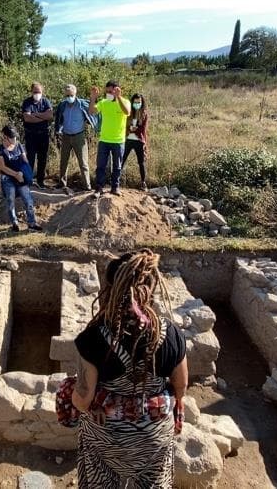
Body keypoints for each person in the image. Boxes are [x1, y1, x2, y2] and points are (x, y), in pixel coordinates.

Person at [72, 249, 188, 487]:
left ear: (111, 288)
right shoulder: (171, 335)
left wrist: (68, 394)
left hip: (107, 441)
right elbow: (181, 386)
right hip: (154, 439)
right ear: (152, 287)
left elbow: (83, 399)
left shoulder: (95, 338)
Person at [0, 125, 42, 232]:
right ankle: (14, 223)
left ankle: (32, 223)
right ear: (5, 137)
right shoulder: (0, 149)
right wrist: (15, 174)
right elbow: (2, 166)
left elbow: (25, 161)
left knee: (28, 200)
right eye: (12, 137)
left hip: (21, 177)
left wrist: (21, 173)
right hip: (8, 178)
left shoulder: (19, 145)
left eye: (15, 137)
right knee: (10, 200)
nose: (14, 139)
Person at [89, 80, 131, 198]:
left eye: (110, 91)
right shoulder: (104, 102)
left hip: (118, 141)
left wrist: (118, 98)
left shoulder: (125, 102)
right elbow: (92, 111)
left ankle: (115, 187)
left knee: (117, 166)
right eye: (106, 91)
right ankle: (99, 188)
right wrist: (93, 98)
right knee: (101, 165)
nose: (108, 93)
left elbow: (127, 112)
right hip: (104, 140)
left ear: (117, 90)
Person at [54, 84, 96, 195]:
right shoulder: (62, 105)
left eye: (71, 95)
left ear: (75, 94)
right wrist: (58, 130)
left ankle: (87, 186)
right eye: (67, 95)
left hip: (79, 136)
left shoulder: (82, 104)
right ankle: (62, 183)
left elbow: (93, 112)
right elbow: (59, 119)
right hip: (66, 136)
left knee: (83, 162)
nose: (69, 97)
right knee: (63, 161)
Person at [21, 82, 53, 189]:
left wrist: (36, 115)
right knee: (30, 159)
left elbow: (49, 115)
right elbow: (27, 118)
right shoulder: (27, 102)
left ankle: (40, 181)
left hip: (43, 135)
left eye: (39, 92)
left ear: (42, 92)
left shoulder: (45, 101)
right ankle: (29, 181)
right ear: (31, 92)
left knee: (42, 159)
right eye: (35, 92)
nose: (37, 94)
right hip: (31, 135)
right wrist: (42, 117)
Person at [121, 94, 149, 190]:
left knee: (141, 162)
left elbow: (143, 129)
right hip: (128, 139)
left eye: (139, 102)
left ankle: (143, 183)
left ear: (142, 102)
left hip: (139, 140)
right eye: (135, 102)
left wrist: (134, 129)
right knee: (122, 160)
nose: (137, 104)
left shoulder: (144, 114)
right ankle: (116, 181)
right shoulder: (128, 112)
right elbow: (124, 125)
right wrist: (129, 128)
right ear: (132, 102)